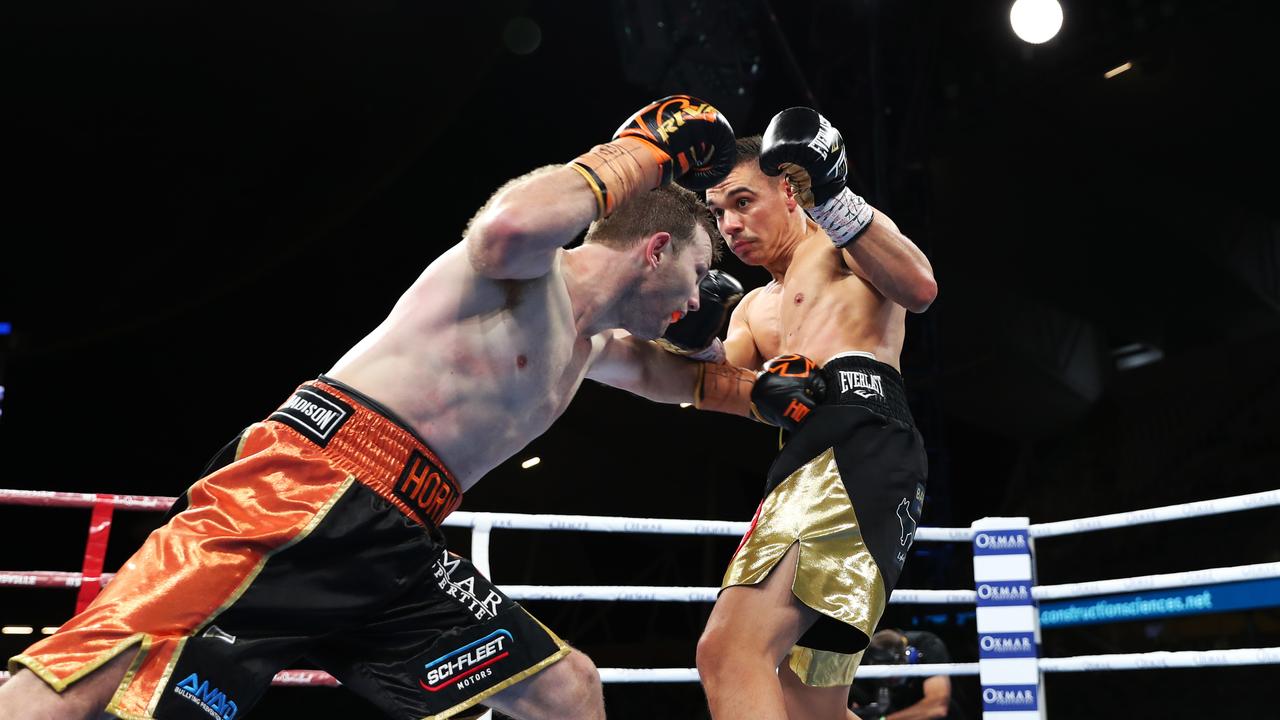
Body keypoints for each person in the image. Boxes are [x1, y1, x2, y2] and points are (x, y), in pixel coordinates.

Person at [0, 95, 736, 720]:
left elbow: (675, 382)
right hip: (305, 486)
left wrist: (739, 366)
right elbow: (509, 223)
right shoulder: (522, 275)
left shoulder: (590, 347)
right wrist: (639, 152)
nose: (700, 296)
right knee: (94, 669)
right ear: (655, 249)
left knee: (565, 689)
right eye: (700, 274)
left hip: (397, 549)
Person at [690, 108, 938, 720]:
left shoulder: (839, 240)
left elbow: (920, 287)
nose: (730, 225)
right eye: (720, 212)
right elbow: (714, 385)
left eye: (744, 202)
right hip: (826, 458)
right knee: (812, 707)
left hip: (855, 440)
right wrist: (688, 334)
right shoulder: (751, 306)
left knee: (729, 652)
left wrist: (833, 194)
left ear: (789, 189)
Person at [849, 629, 960, 720]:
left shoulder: (928, 645)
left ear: (908, 656)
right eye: (885, 673)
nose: (890, 677)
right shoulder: (864, 657)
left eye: (894, 669)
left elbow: (937, 707)